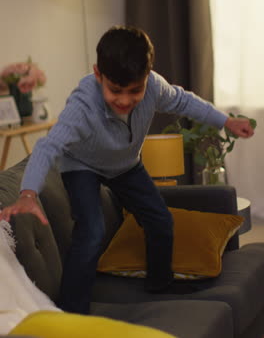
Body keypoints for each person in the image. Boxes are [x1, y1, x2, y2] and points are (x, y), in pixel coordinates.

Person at [0, 26, 254, 315]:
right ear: (98, 75)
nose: (124, 100)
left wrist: (225, 121)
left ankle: (160, 284)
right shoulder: (82, 105)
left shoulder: (155, 87)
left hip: (125, 164)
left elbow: (185, 101)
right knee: (92, 230)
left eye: (135, 90)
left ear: (147, 76)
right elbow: (48, 147)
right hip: (81, 165)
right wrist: (28, 193)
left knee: (160, 220)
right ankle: (72, 311)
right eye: (115, 90)